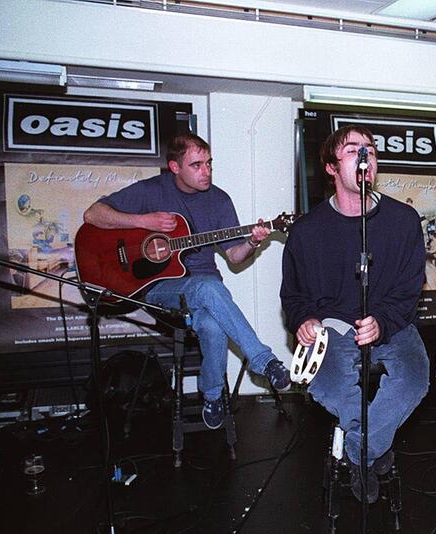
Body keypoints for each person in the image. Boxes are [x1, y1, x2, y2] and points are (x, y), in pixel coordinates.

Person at [83, 133, 291, 429]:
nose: (206, 171)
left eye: (209, 164)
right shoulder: (150, 191)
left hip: (207, 290)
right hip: (159, 290)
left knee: (211, 323)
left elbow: (234, 255)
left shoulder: (219, 200)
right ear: (174, 167)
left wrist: (254, 242)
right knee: (208, 288)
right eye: (196, 165)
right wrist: (144, 222)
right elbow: (93, 214)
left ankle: (212, 395)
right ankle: (263, 361)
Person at [280, 126, 429, 504]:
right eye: (353, 150)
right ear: (332, 167)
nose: (366, 156)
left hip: (393, 323)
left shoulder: (404, 221)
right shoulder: (306, 231)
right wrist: (304, 320)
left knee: (414, 379)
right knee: (328, 386)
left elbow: (410, 288)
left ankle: (361, 452)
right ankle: (374, 452)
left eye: (371, 150)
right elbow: (294, 294)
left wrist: (382, 320)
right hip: (334, 327)